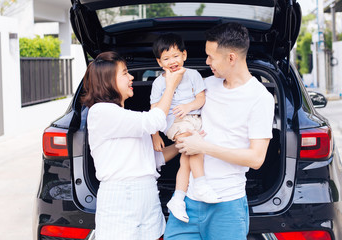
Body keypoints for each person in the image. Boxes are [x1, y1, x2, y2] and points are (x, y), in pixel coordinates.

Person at [164, 22, 275, 240]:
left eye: (211, 57)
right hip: (186, 201)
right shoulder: (205, 86)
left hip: (227, 205)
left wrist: (203, 147)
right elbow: (169, 106)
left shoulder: (260, 98)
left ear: (231, 57)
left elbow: (256, 158)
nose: (206, 62)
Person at [82, 51, 181, 240]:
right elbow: (153, 121)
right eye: (125, 73)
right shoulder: (101, 112)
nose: (131, 77)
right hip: (122, 198)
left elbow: (153, 159)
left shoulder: (124, 115)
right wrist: (170, 86)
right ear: (108, 81)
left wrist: (180, 145)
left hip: (147, 195)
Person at [150, 33, 221, 223]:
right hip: (174, 123)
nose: (172, 61)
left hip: (195, 119)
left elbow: (201, 98)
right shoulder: (158, 83)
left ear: (184, 55)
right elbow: (153, 110)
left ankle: (178, 198)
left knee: (187, 156)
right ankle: (201, 184)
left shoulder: (193, 75)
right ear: (159, 62)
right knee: (193, 145)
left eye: (175, 56)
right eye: (166, 58)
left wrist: (188, 106)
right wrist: (155, 134)